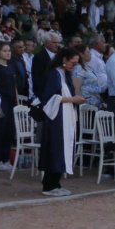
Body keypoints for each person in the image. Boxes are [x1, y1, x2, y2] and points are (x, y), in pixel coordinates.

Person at [39, 47, 85, 196]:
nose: (74, 65)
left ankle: (56, 183)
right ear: (64, 59)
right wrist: (73, 99)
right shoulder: (54, 74)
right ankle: (49, 185)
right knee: (55, 150)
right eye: (73, 62)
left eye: (76, 63)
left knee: (62, 150)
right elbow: (49, 98)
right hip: (56, 119)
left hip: (65, 117)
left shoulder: (65, 75)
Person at [0, 41, 18, 172]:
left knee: (9, 131)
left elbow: (15, 87)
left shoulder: (11, 66)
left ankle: (6, 158)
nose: (8, 53)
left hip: (12, 102)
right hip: (1, 103)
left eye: (9, 51)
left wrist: (17, 102)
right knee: (0, 131)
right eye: (5, 51)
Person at [72, 44, 105, 108]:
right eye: (88, 52)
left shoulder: (87, 67)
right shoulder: (78, 69)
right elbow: (76, 89)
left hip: (95, 105)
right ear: (81, 54)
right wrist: (80, 106)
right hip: (86, 108)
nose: (90, 54)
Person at [31, 30, 61, 98]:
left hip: (59, 93)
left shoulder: (60, 55)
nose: (57, 45)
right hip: (45, 94)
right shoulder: (39, 57)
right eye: (54, 42)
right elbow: (37, 79)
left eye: (58, 43)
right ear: (46, 43)